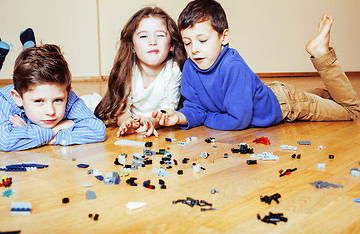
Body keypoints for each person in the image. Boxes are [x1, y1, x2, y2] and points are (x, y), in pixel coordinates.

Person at [152, 0, 360, 131]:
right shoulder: (190, 68)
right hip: (268, 94)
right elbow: (195, 107)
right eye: (187, 43)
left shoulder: (233, 66)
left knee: (352, 111)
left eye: (202, 40)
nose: (194, 49)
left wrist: (206, 117)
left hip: (288, 104)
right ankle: (325, 94)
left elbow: (237, 120)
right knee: (328, 98)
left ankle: (321, 53)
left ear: (224, 37)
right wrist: (179, 116)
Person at [93, 6, 186, 138]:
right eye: (143, 36)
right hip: (126, 115)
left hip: (154, 120)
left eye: (160, 35)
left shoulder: (174, 69)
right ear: (132, 46)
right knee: (88, 103)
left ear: (171, 44)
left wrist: (151, 122)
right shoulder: (128, 68)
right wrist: (127, 123)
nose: (152, 42)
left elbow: (167, 111)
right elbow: (119, 110)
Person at [0, 44, 106, 152]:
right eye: (39, 101)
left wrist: (29, 133)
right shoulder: (4, 101)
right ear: (18, 98)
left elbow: (97, 130)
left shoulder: (67, 96)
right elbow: (6, 141)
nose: (50, 112)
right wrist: (55, 130)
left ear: (67, 93)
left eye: (58, 100)